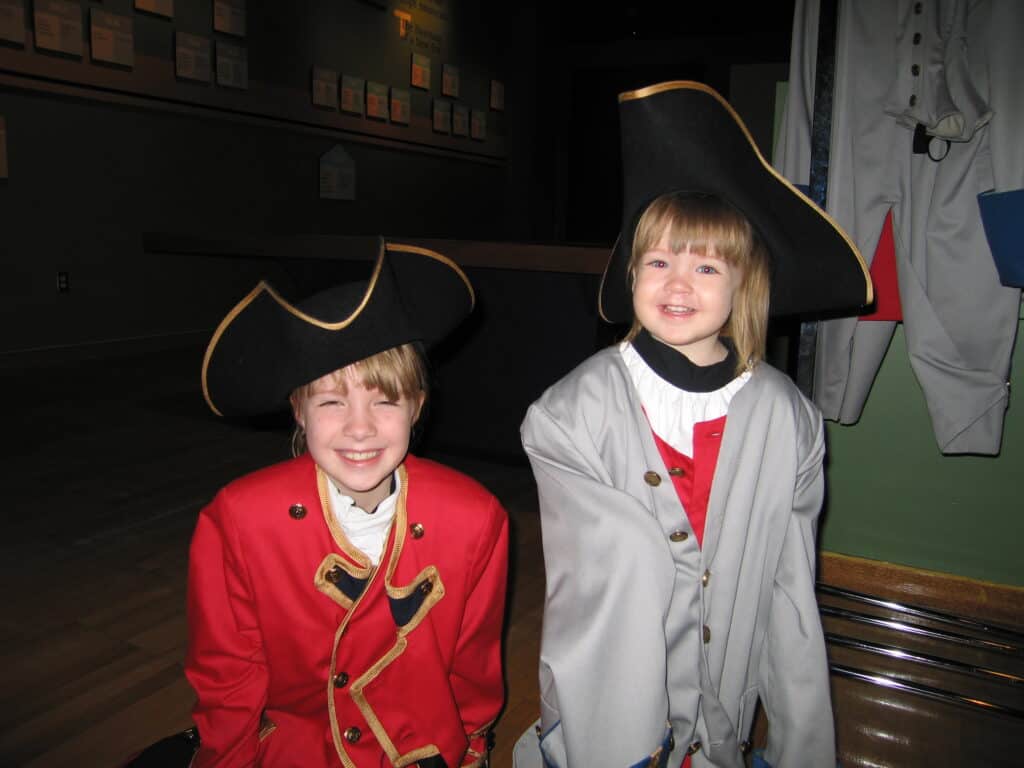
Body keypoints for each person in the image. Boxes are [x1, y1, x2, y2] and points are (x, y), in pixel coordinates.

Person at [513, 82, 872, 768]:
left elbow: (790, 595)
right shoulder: (568, 416)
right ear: (632, 274)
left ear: (747, 285)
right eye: (658, 261)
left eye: (707, 265)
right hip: (607, 727)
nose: (678, 284)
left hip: (725, 723)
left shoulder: (788, 420)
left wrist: (802, 749)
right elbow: (596, 598)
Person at [186, 240, 509, 768]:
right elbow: (227, 674)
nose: (360, 427)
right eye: (332, 402)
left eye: (385, 400)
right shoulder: (238, 520)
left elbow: (474, 666)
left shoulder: (476, 518)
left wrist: (471, 748)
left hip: (420, 750)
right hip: (295, 749)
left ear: (418, 407)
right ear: (299, 410)